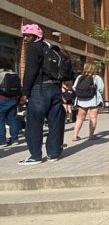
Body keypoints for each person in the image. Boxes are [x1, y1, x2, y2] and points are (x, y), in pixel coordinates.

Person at [18, 24, 65, 164]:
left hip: (40, 89)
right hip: (55, 87)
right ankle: (54, 153)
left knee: (34, 123)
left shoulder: (34, 47)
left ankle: (35, 156)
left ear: (35, 36)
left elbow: (30, 71)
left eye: (27, 36)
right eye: (24, 36)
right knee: (55, 121)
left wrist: (25, 92)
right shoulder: (50, 46)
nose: (25, 39)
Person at [72, 62, 104, 141]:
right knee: (93, 118)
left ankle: (75, 136)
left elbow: (74, 87)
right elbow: (101, 89)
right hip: (93, 100)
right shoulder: (96, 78)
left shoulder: (80, 77)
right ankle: (91, 135)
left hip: (81, 100)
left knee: (79, 118)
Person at [0, 56, 21, 147]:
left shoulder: (0, 74)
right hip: (13, 100)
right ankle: (15, 139)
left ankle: (2, 141)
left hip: (1, 99)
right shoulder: (14, 73)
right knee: (13, 120)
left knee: (1, 121)